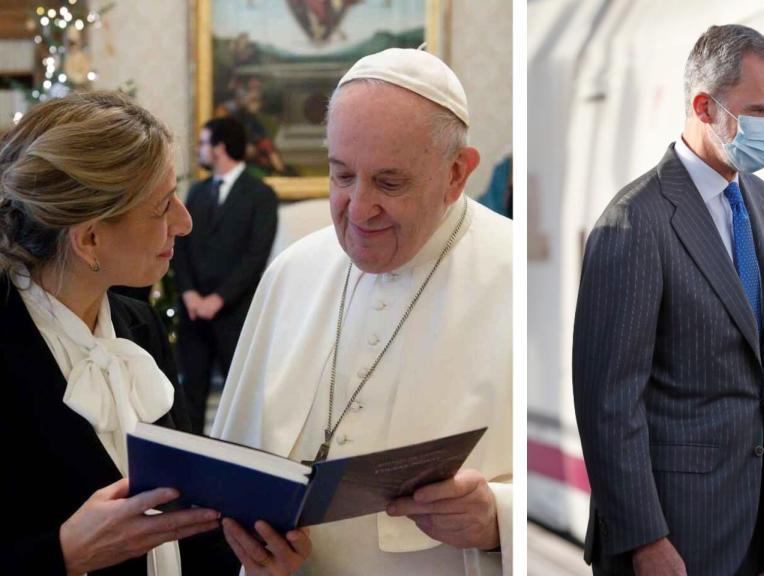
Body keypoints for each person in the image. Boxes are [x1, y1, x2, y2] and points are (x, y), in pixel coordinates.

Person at [211, 47, 512, 575]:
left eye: (389, 183)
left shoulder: (518, 278)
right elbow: (229, 475)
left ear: (456, 174)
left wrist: (497, 519)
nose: (359, 208)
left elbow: (589, 480)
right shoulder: (293, 272)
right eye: (342, 176)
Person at [0, 91, 309, 575]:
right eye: (163, 206)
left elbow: (183, 523)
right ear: (90, 238)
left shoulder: (139, 326)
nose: (184, 223)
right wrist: (65, 554)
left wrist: (254, 560)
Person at [573, 24, 764, 576]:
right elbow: (608, 403)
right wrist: (645, 539)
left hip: (751, 524)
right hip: (672, 532)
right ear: (703, 106)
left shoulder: (761, 200)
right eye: (760, 111)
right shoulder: (634, 221)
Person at [172, 116, 278, 433]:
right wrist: (189, 294)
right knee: (189, 399)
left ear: (219, 147)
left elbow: (255, 257)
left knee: (239, 402)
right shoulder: (197, 192)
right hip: (193, 314)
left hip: (234, 315)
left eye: (204, 143)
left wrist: (218, 300)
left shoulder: (260, 195)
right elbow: (180, 247)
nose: (200, 149)